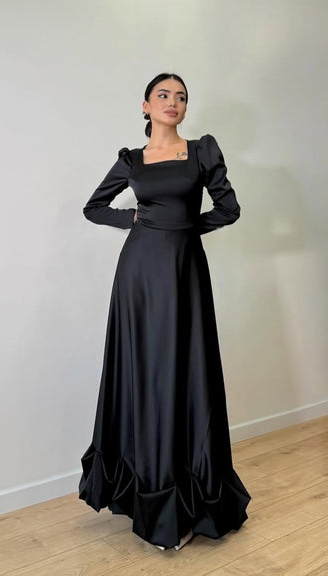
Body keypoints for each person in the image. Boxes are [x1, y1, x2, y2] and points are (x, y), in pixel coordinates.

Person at [78, 73, 251, 551]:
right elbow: (94, 207)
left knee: (186, 371)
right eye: (163, 95)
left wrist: (186, 226)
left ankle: (190, 501)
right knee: (147, 374)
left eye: (181, 97)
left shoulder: (201, 151)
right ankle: (150, 496)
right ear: (146, 105)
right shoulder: (131, 160)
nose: (173, 102)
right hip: (138, 275)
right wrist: (133, 217)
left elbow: (229, 208)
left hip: (184, 271)